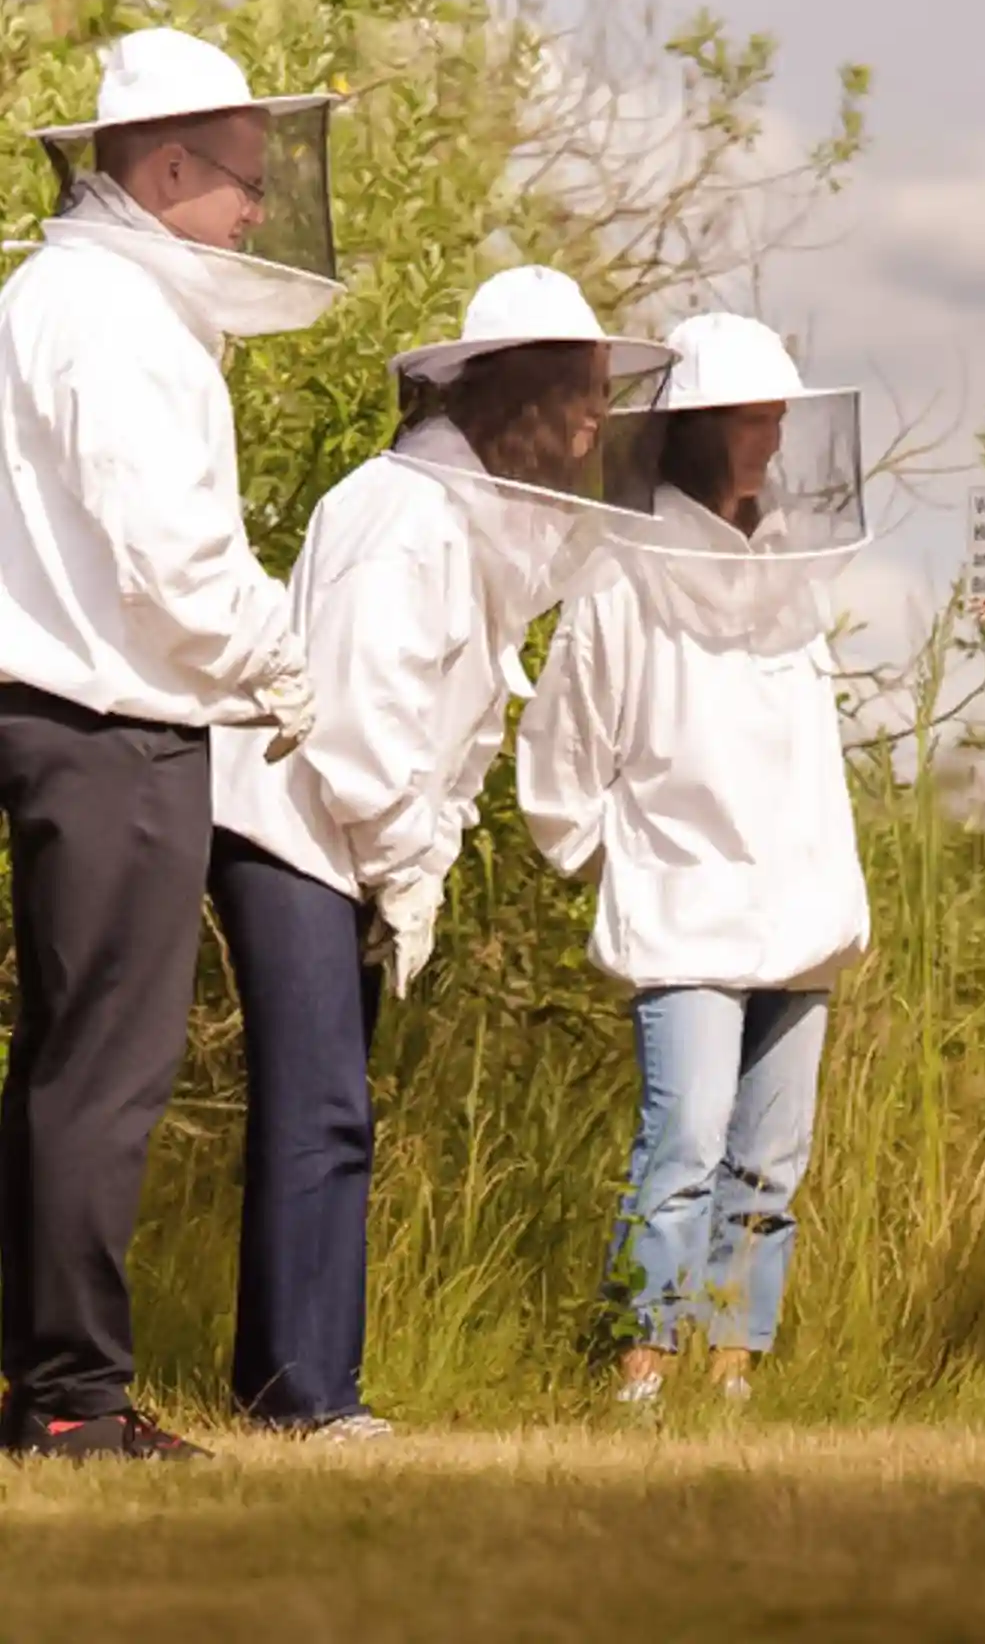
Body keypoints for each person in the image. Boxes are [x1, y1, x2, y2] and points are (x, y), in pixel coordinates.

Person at [206, 264, 674, 1440]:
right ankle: (305, 1397)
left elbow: (455, 726)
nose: (589, 422)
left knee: (335, 1107)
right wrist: (404, 860)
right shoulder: (401, 512)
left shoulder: (477, 526)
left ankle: (300, 1384)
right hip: (295, 826)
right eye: (576, 393)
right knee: (322, 1111)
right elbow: (362, 719)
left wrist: (422, 855)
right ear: (510, 392)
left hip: (346, 838)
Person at [0, 27, 339, 1461]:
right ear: (173, 163)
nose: (258, 211)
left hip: (51, 704)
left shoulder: (48, 295)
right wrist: (282, 656)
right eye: (245, 182)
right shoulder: (121, 319)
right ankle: (75, 1404)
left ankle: (39, 1384)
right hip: (113, 722)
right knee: (103, 1071)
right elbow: (172, 560)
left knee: (55, 1064)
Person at [516, 312, 869, 1407]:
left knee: (769, 1164)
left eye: (777, 417)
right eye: (751, 418)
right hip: (682, 909)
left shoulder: (795, 574)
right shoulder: (621, 576)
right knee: (684, 1142)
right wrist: (618, 864)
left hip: (798, 909)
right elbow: (562, 755)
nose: (769, 438)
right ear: (699, 430)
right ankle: (641, 1367)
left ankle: (730, 1373)